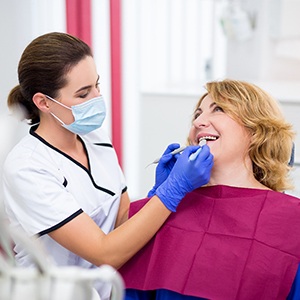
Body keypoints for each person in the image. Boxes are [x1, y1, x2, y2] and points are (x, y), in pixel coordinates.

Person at [1, 32, 214, 300]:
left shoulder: (95, 137)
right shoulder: (27, 167)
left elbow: (121, 218)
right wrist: (172, 191)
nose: (97, 98)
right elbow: (104, 251)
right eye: (83, 93)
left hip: (103, 290)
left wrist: (154, 194)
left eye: (96, 85)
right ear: (43, 102)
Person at [119, 79, 300, 300]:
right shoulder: (159, 212)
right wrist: (157, 198)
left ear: (256, 129)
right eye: (197, 114)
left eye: (219, 109)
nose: (199, 122)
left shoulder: (292, 220)